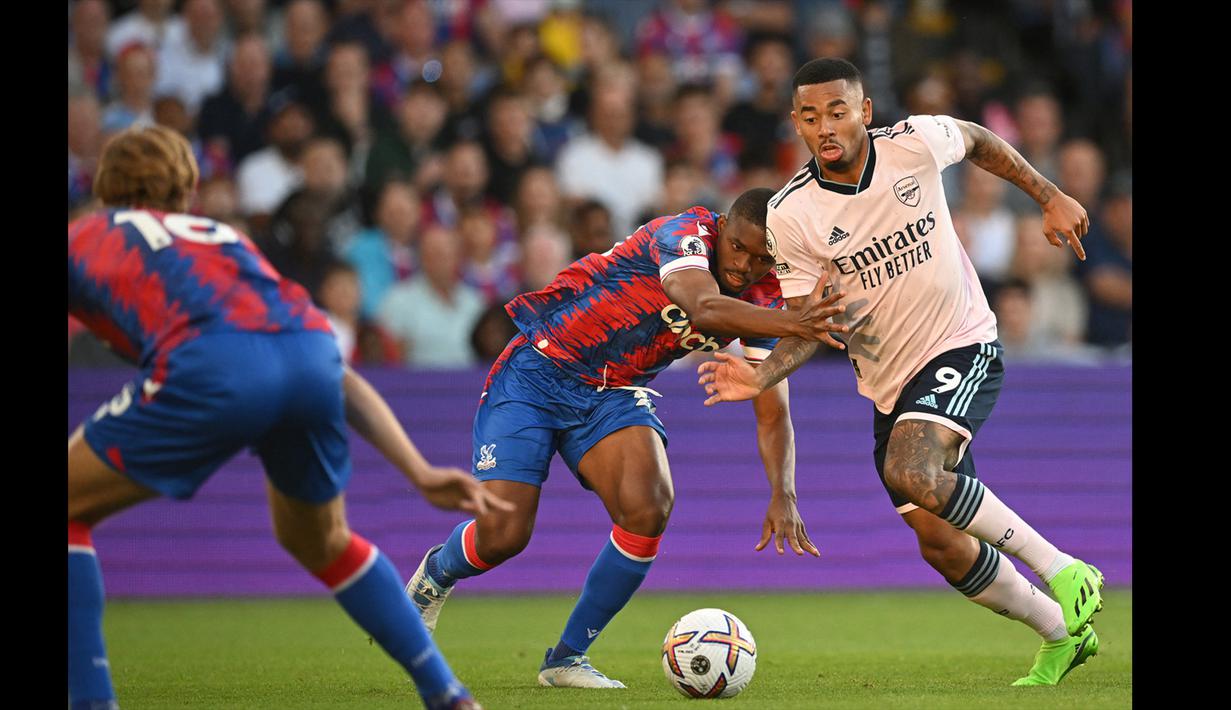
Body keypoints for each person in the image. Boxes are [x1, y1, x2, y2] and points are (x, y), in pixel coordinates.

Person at [67, 125, 510, 710]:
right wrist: (418, 470)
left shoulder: (89, 234)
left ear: (105, 187)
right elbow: (327, 361)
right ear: (187, 186)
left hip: (213, 367)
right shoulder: (221, 237)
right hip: (310, 358)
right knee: (319, 539)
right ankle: (448, 694)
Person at [697, 58, 1104, 688]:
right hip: (890, 383)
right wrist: (760, 375)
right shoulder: (791, 214)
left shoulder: (913, 143)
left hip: (960, 342)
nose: (825, 126)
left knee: (911, 469)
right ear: (796, 125)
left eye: (837, 111)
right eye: (810, 116)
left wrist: (1049, 195)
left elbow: (977, 138)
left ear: (863, 111)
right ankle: (1060, 633)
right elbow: (810, 325)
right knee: (940, 544)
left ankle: (1063, 569)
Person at [403, 188, 847, 688]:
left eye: (764, 257)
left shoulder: (765, 295)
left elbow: (770, 404)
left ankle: (566, 659)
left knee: (649, 505)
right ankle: (435, 574)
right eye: (740, 247)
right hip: (537, 370)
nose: (747, 265)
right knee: (505, 534)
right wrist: (795, 322)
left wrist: (782, 491)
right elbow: (700, 305)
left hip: (611, 389)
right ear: (723, 227)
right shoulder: (684, 234)